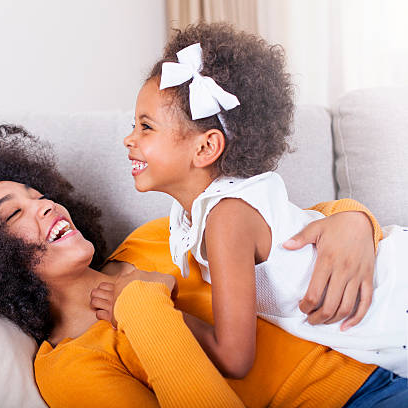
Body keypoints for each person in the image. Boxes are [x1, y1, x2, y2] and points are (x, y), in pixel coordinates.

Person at [0, 125, 401, 406]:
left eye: (36, 194)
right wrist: (143, 305)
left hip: (385, 337)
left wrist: (352, 220)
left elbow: (276, 222)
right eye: (15, 212)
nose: (44, 205)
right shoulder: (68, 369)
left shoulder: (151, 239)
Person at [94, 22, 407, 380]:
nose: (129, 140)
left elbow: (234, 358)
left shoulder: (227, 219)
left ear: (206, 147)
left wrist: (143, 307)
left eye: (145, 127)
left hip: (395, 294)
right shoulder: (197, 214)